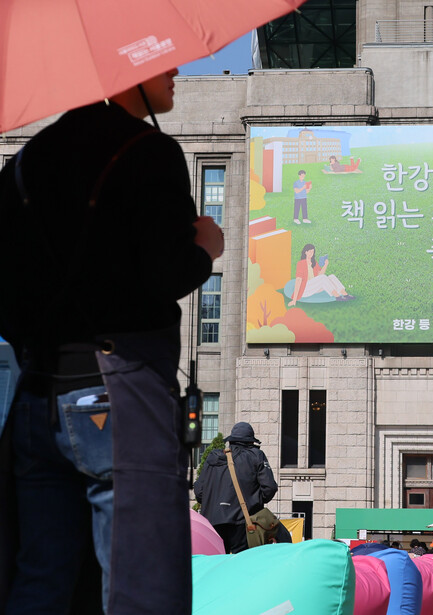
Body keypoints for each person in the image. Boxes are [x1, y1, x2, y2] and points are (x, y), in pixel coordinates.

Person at [0, 67, 223, 615]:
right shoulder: (148, 151)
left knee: (42, 575)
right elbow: (165, 273)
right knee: (139, 576)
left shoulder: (25, 166)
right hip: (119, 396)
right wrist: (205, 246)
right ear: (126, 70)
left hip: (37, 395)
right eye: (162, 61)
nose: (174, 72)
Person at [193, 422, 278, 553]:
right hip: (242, 522)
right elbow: (269, 488)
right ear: (250, 442)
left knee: (217, 565)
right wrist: (253, 502)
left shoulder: (213, 457)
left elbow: (199, 491)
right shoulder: (256, 455)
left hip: (213, 522)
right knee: (242, 565)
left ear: (231, 441)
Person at [288, 243, 354, 306]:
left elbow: (320, 275)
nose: (311, 253)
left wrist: (325, 265)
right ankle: (337, 296)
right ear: (305, 252)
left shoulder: (314, 262)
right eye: (310, 252)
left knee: (331, 276)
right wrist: (294, 300)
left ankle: (345, 294)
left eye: (313, 252)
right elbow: (298, 280)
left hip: (314, 286)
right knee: (323, 278)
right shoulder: (301, 263)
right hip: (305, 289)